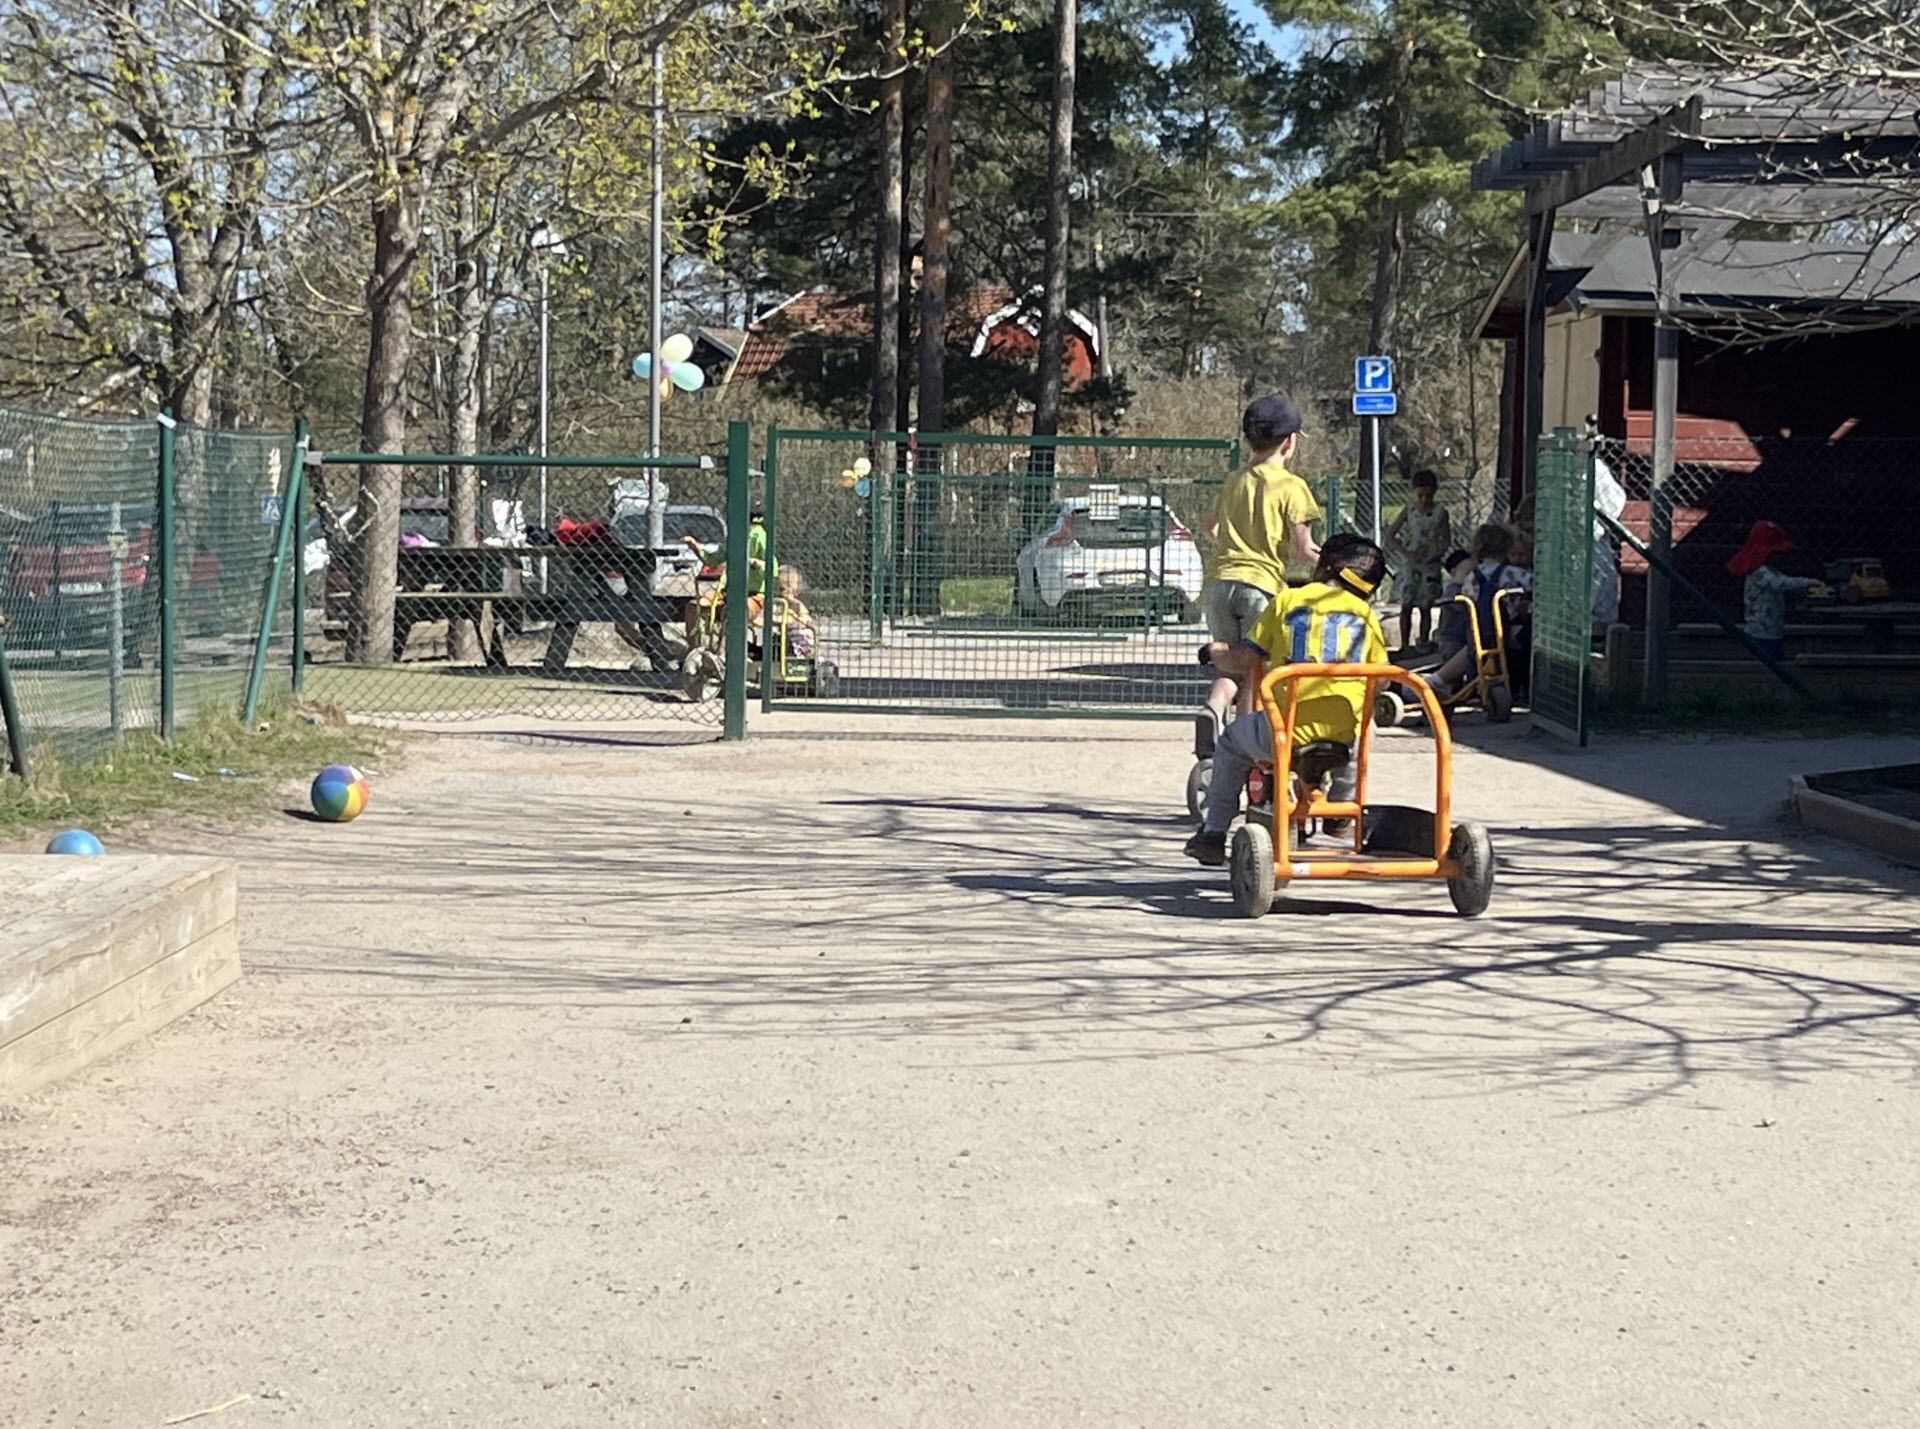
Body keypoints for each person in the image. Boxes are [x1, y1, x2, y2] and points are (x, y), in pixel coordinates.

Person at [1183, 533, 1389, 866]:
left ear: (1324, 566)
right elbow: (1379, 680)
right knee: (1364, 730)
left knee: (1232, 742)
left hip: (1285, 732)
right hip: (1341, 737)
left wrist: (1217, 653)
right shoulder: (1365, 616)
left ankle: (1213, 832)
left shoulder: (1287, 602)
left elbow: (1242, 661)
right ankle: (1340, 809)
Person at [1197, 394, 1322, 745]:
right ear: (1290, 442)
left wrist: (1232, 544)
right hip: (1261, 586)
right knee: (1254, 667)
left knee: (1228, 663)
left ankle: (1213, 708)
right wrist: (1331, 564)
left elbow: (1210, 526)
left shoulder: (1234, 481)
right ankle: (1245, 739)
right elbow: (1304, 548)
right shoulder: (1292, 487)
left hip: (1220, 583)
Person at [1428, 523, 1532, 697]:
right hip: (1506, 628)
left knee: (1474, 649)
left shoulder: (1472, 577)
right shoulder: (1513, 573)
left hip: (1478, 629)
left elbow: (1466, 597)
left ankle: (1452, 681)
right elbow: (1534, 586)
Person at [1729, 519, 1823, 662]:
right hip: (1760, 632)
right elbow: (1778, 584)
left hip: (1773, 630)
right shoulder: (1758, 570)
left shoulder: (1769, 570)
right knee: (1769, 666)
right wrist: (1808, 582)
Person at [683, 507, 771, 649]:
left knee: (735, 609)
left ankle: (723, 653)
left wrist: (757, 563)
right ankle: (695, 651)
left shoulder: (762, 537)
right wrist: (695, 546)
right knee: (693, 607)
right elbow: (712, 560)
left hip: (753, 596)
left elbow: (772, 568)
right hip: (727, 593)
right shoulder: (735, 539)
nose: (751, 531)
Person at [1385, 469, 1451, 653]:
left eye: (1428, 495)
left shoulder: (1440, 512)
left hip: (1430, 564)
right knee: (1406, 604)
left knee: (1426, 605)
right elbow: (1391, 534)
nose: (1424, 500)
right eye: (1420, 495)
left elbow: (1446, 539)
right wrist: (1405, 553)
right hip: (1410, 564)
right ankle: (1405, 645)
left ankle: (1423, 641)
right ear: (1414, 492)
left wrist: (1435, 553)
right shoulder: (1409, 511)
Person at [1432, 548, 1476, 671]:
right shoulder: (1452, 590)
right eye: (1467, 573)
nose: (1471, 577)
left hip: (1467, 638)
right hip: (1452, 640)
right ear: (1453, 573)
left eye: (1474, 572)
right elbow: (1458, 605)